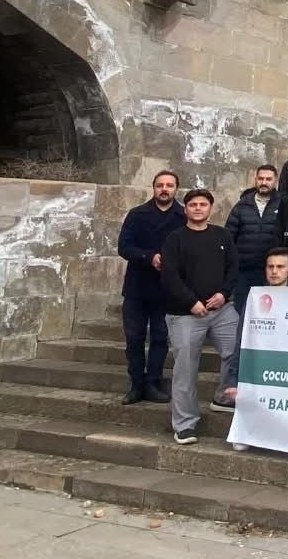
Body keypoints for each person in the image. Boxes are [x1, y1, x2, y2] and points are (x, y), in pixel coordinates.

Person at [160, 188, 239, 444]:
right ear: (186, 209)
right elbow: (169, 276)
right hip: (185, 313)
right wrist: (191, 302)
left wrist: (223, 294)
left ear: (210, 208)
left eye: (202, 204)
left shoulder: (222, 235)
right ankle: (184, 424)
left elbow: (233, 268)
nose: (197, 208)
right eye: (193, 204)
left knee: (237, 353)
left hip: (221, 310)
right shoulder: (175, 239)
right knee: (185, 368)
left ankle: (223, 397)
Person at [117, 170, 185, 405]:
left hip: (166, 289)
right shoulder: (137, 214)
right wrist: (149, 257)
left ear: (176, 189)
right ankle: (136, 384)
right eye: (160, 185)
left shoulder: (183, 216)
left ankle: (153, 382)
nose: (164, 189)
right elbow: (124, 247)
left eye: (169, 185)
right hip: (137, 287)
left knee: (160, 337)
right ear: (153, 188)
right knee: (134, 338)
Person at [226, 247, 288, 450]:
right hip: (258, 365)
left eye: (280, 267)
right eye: (270, 266)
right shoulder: (254, 299)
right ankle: (246, 431)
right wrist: (232, 379)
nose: (274, 271)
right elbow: (241, 341)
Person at [225, 164, 283, 320]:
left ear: (275, 181)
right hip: (244, 270)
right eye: (261, 178)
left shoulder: (284, 204)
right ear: (255, 179)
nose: (264, 182)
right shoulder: (242, 205)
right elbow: (229, 236)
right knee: (242, 311)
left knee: (270, 315)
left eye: (268, 179)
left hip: (272, 271)